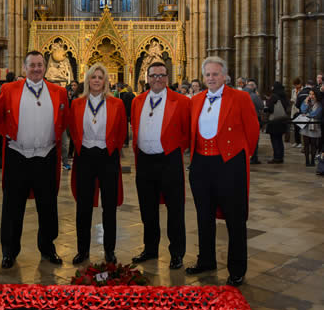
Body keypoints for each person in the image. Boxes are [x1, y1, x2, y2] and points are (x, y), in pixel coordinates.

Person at [186, 57, 259, 286]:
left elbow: (252, 128)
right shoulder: (196, 99)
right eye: (207, 74)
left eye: (215, 74)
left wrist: (241, 156)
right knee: (203, 216)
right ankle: (206, 260)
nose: (211, 78)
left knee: (235, 218)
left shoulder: (240, 97)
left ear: (225, 76)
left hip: (228, 164)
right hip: (201, 165)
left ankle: (237, 267)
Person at [0, 50, 69, 267]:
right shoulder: (9, 89)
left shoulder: (58, 92)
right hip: (17, 155)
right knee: (13, 206)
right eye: (32, 65)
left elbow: (64, 120)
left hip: (45, 157)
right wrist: (10, 135)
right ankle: (9, 251)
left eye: (40, 65)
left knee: (47, 206)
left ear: (45, 67)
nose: (36, 69)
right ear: (24, 68)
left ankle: (48, 248)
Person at [130, 60, 191, 269]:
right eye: (154, 75)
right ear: (147, 79)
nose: (158, 79)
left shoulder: (181, 101)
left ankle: (176, 253)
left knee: (175, 209)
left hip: (169, 160)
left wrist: (174, 148)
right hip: (145, 160)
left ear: (168, 78)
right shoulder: (138, 101)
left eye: (162, 75)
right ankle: (150, 249)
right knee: (147, 208)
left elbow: (187, 132)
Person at [69, 63, 127, 265]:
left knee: (109, 207)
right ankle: (82, 250)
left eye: (100, 77)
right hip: (85, 157)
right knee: (83, 206)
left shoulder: (116, 104)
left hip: (107, 157)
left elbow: (121, 132)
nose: (96, 81)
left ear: (105, 81)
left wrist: (112, 150)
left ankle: (109, 251)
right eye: (93, 77)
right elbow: (72, 130)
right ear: (88, 80)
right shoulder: (77, 104)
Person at [265, 82, 289, 164]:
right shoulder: (284, 96)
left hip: (275, 121)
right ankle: (280, 156)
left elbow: (270, 108)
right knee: (279, 140)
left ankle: (276, 157)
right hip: (282, 121)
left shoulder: (274, 96)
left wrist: (268, 102)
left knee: (275, 140)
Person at [299, 89, 322, 167]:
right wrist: (305, 103)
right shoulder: (306, 102)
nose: (311, 96)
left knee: (313, 144)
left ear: (316, 95)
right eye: (310, 94)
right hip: (306, 125)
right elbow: (302, 110)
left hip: (314, 126)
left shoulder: (319, 104)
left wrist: (307, 114)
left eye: (313, 94)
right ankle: (307, 160)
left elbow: (316, 113)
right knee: (306, 144)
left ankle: (312, 160)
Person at [244, 80, 263, 164]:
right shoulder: (254, 96)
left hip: (242, 120)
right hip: (253, 119)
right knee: (254, 138)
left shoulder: (240, 94)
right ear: (253, 87)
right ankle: (253, 157)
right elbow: (261, 106)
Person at [290, 77, 303, 147]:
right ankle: (296, 141)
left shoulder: (303, 90)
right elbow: (292, 98)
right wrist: (292, 100)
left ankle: (300, 142)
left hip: (300, 109)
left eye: (296, 84)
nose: (295, 86)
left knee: (300, 126)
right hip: (294, 109)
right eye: (295, 85)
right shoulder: (293, 90)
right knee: (295, 126)